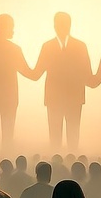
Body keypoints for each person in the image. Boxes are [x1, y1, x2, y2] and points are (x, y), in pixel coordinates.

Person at [0, 14, 39, 152]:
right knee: (7, 139)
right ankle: (6, 162)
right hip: (8, 100)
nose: (13, 30)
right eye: (11, 27)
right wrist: (43, 66)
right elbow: (29, 73)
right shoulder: (13, 49)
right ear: (4, 27)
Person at [32, 12, 93, 152]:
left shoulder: (80, 46)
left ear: (70, 25)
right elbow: (37, 72)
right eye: (58, 24)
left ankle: (72, 161)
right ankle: (56, 162)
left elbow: (87, 72)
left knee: (73, 137)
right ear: (54, 26)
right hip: (55, 99)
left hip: (74, 98)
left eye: (63, 24)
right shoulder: (47, 46)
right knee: (54, 138)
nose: (61, 27)